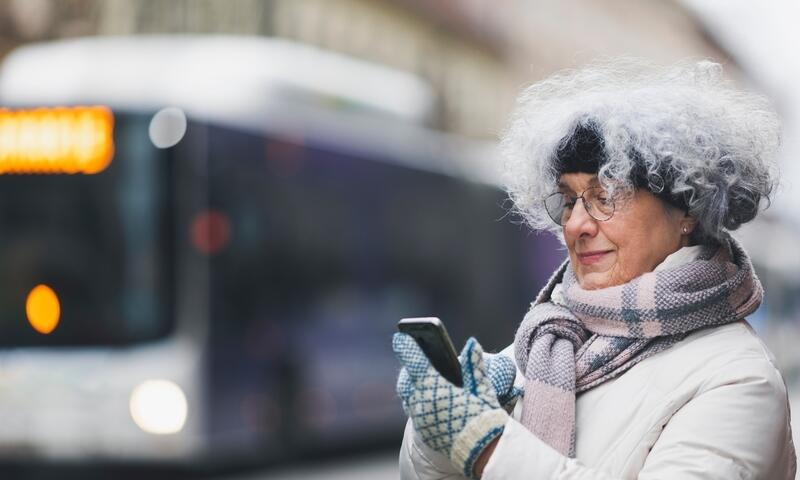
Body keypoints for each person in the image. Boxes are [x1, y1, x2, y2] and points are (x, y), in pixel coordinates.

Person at [392, 59, 796, 479]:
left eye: (605, 197)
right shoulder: (545, 341)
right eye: (569, 200)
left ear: (686, 210)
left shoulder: (738, 379)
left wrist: (485, 443)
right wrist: (435, 432)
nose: (576, 224)